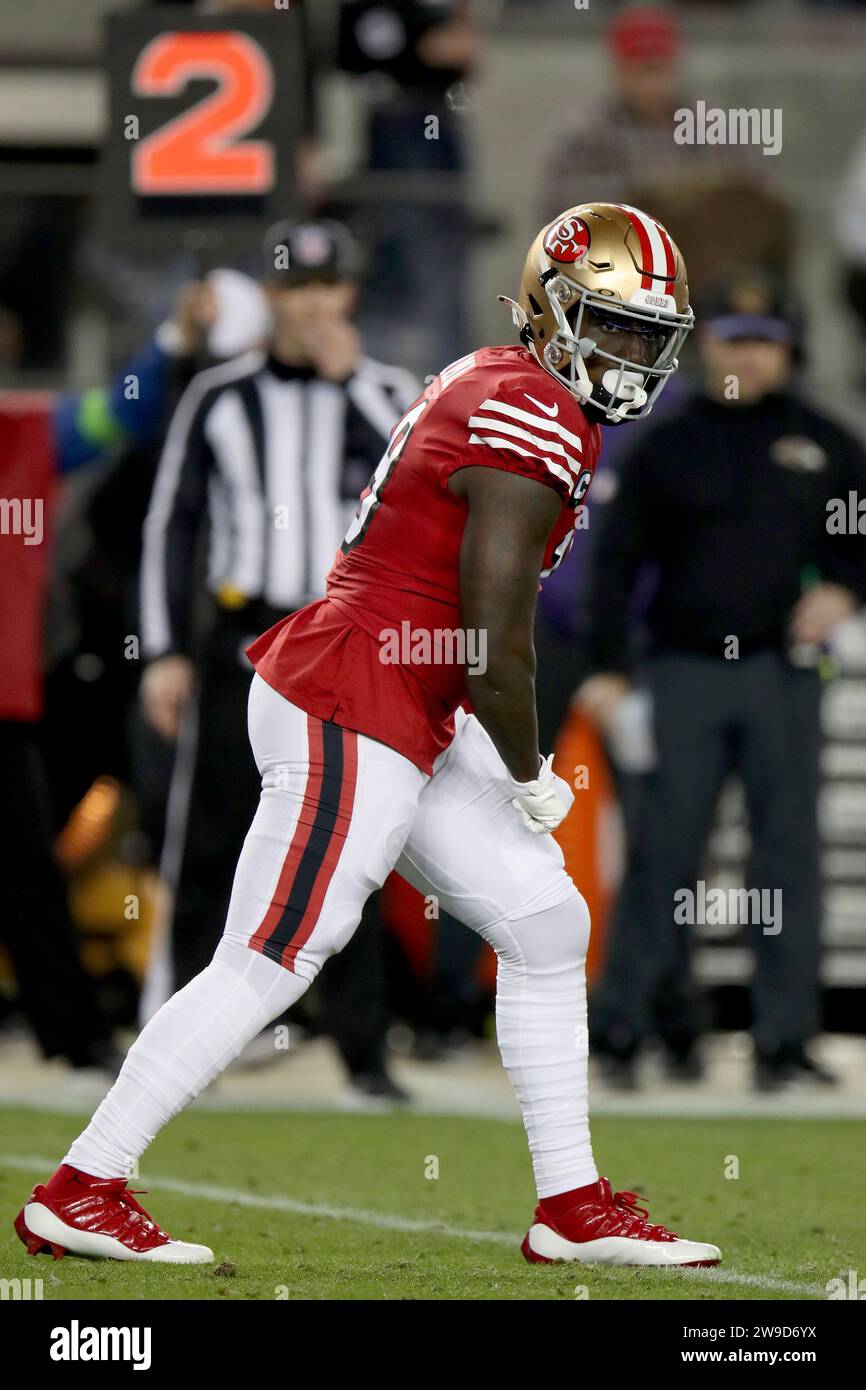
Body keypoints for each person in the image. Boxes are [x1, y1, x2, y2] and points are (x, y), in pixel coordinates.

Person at [15, 202, 720, 1269]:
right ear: (546, 310)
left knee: (544, 923)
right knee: (271, 954)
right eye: (606, 324)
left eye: (639, 333)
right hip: (360, 690)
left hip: (399, 687)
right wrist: (525, 766)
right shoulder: (525, 406)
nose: (622, 353)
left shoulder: (508, 382)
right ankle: (83, 1184)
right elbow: (492, 636)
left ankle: (569, 1206)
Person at [138, 218, 419, 1102]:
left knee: (359, 845)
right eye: (293, 289)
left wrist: (351, 385)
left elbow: (424, 495)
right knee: (210, 839)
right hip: (244, 639)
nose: (309, 306)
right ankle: (181, 1052)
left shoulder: (389, 393)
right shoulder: (220, 394)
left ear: (349, 296)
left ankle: (365, 1056)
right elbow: (170, 523)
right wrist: (164, 650)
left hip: (345, 642)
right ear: (271, 298)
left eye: (324, 288)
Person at [580, 269, 866, 1091]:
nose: (749, 354)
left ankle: (784, 1041)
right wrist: (607, 670)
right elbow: (615, 564)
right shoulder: (664, 445)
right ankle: (625, 1030)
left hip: (784, 671)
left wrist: (846, 590)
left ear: (790, 352)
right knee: (664, 857)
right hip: (685, 672)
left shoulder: (827, 442)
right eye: (735, 339)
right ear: (706, 344)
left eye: (766, 343)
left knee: (789, 859)